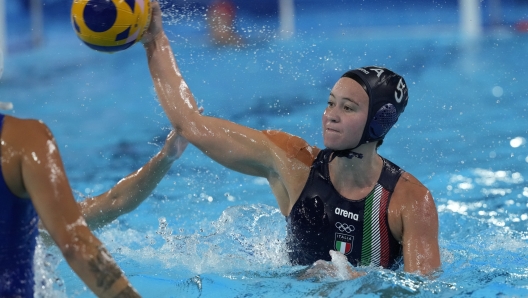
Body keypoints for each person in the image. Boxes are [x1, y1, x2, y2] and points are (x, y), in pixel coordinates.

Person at [141, 2, 440, 277]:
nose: (330, 116)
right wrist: (155, 39)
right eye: (330, 103)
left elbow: (425, 290)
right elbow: (190, 124)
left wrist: (354, 280)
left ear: (379, 122)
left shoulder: (410, 201)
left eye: (347, 108)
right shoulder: (294, 164)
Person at [0, 47, 191, 296]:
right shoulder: (24, 142)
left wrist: (165, 157)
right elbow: (77, 244)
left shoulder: (36, 225)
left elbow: (114, 201)